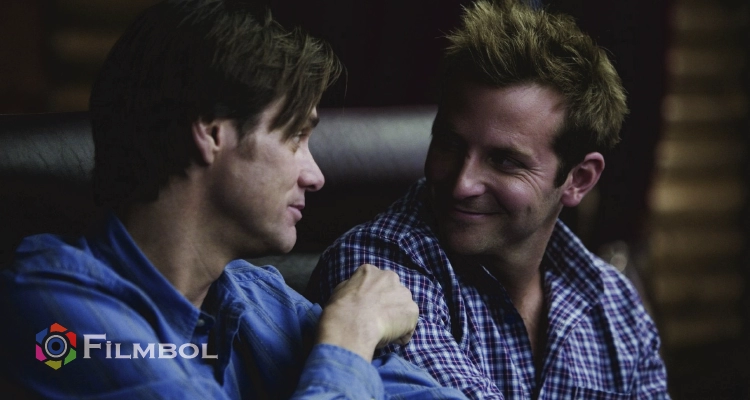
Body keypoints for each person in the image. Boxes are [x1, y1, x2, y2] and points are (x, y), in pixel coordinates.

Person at [0, 1, 467, 398]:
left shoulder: (252, 295)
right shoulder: (50, 317)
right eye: (296, 136)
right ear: (211, 133)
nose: (315, 175)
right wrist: (351, 335)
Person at [307, 1, 670, 398]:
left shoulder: (618, 309)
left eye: (504, 161)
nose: (462, 184)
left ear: (578, 179)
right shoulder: (378, 268)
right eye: (449, 144)